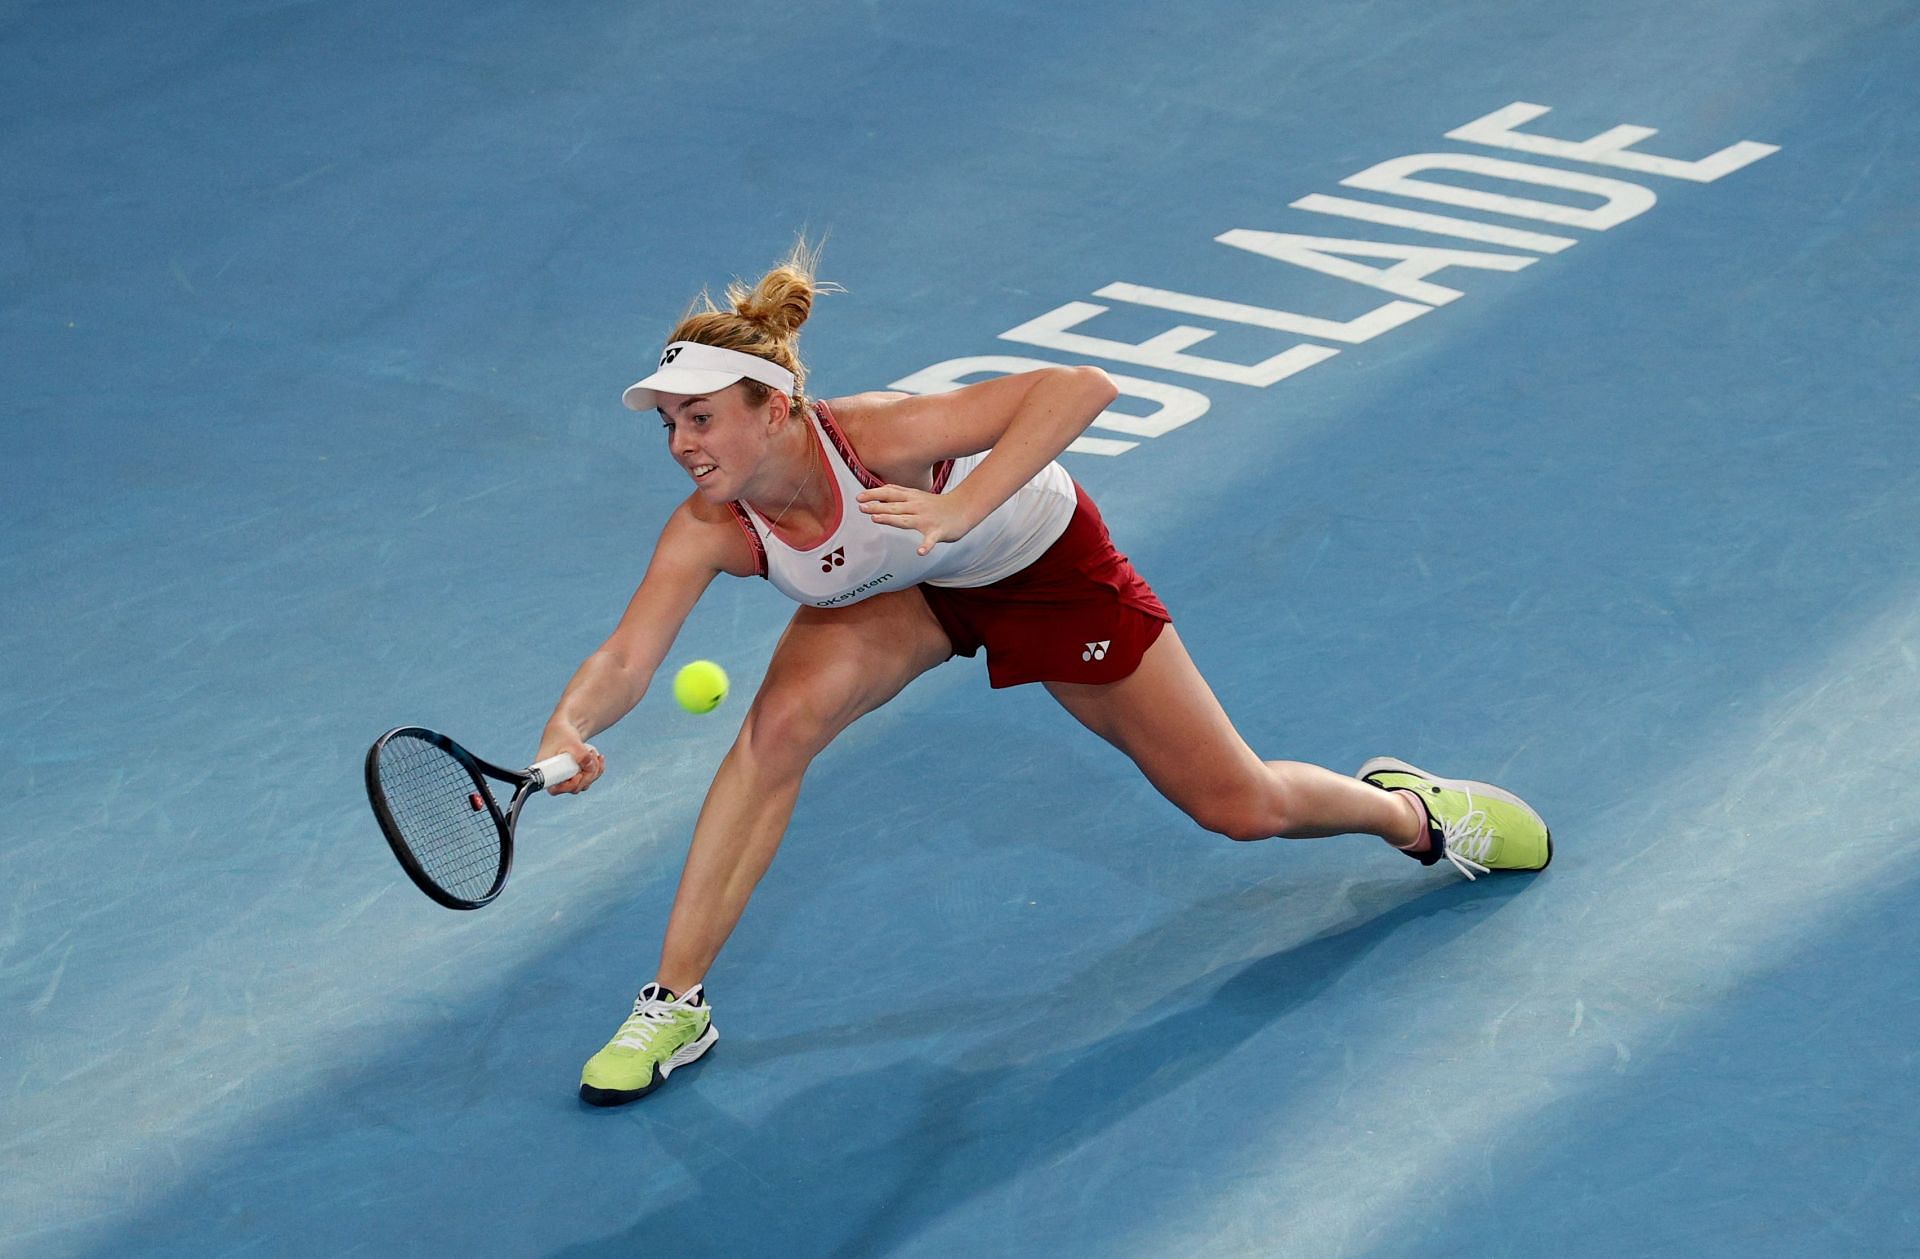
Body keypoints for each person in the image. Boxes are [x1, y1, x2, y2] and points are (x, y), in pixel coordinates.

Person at [536, 243, 1551, 1107]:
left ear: (776, 407)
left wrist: (957, 507)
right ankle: (673, 1005)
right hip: (909, 587)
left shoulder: (876, 435)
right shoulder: (711, 525)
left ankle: (1410, 812)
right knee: (775, 731)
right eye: (668, 423)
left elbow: (1079, 388)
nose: (681, 444)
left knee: (1238, 805)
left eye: (702, 418)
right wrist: (570, 725)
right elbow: (628, 655)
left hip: (1037, 568)